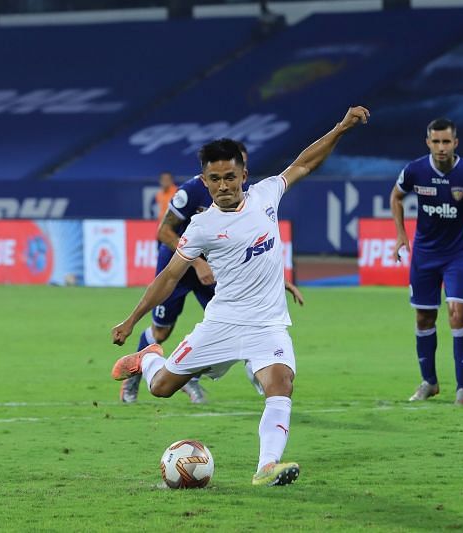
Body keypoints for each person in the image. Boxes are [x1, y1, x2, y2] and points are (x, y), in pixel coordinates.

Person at [110, 106, 369, 487]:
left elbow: (304, 163)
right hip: (222, 324)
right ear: (205, 179)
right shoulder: (201, 227)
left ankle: (267, 465)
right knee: (161, 388)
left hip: (268, 325)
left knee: (280, 384)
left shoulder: (266, 195)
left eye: (230, 177)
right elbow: (168, 278)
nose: (223, 186)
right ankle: (148, 358)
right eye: (214, 179)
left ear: (244, 174)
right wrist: (132, 320)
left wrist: (342, 128)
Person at [119, 144, 304, 404]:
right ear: (207, 177)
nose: (228, 181)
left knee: (231, 325)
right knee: (161, 333)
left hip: (216, 272)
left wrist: (278, 281)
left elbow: (249, 252)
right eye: (219, 176)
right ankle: (139, 372)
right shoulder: (191, 192)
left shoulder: (251, 199)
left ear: (243, 172)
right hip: (182, 267)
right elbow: (164, 232)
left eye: (234, 172)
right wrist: (196, 263)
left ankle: (199, 377)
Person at [391, 118, 463, 405]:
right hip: (424, 255)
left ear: (455, 143)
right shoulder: (415, 170)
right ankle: (430, 382)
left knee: (458, 314)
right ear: (428, 143)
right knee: (424, 317)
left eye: (446, 142)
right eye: (435, 142)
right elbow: (396, 196)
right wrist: (401, 234)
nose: (441, 147)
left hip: (459, 256)